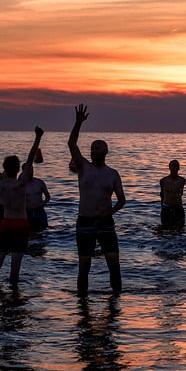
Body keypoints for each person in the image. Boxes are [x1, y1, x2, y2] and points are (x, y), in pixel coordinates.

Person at [69, 105, 126, 294]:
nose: (93, 150)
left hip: (105, 223)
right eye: (92, 148)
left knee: (113, 263)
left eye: (98, 148)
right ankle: (82, 304)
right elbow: (71, 144)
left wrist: (110, 211)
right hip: (85, 221)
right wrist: (78, 123)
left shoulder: (112, 174)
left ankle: (116, 301)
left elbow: (121, 200)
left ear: (106, 151)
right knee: (84, 264)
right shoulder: (83, 167)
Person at [0, 127, 44, 284]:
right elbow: (31, 157)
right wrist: (38, 137)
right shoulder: (21, 184)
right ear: (19, 169)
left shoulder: (0, 182)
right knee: (15, 267)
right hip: (20, 223)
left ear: (4, 167)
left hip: (6, 222)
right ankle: (14, 297)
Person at [24, 158, 51, 234]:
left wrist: (44, 202)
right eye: (29, 170)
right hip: (27, 211)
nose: (31, 172)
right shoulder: (21, 185)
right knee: (28, 232)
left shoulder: (39, 182)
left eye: (32, 170)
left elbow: (48, 196)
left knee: (43, 229)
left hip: (39, 210)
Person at [159, 160, 186, 230]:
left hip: (178, 207)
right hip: (166, 208)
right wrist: (163, 206)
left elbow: (181, 193)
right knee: (165, 229)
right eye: (173, 165)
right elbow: (162, 194)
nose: (175, 167)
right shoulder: (163, 181)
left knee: (180, 230)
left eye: (176, 165)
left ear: (179, 168)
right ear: (169, 167)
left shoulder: (182, 180)